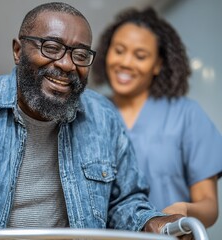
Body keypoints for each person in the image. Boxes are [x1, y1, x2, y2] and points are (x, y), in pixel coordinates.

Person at [0, 2, 189, 240]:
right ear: (17, 50)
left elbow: (125, 202)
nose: (66, 65)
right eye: (51, 47)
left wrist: (153, 223)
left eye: (80, 55)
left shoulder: (104, 118)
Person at [92, 7, 222, 228]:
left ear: (158, 65)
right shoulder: (90, 112)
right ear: (107, 52)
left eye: (140, 56)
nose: (125, 62)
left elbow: (209, 207)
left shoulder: (185, 115)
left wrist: (184, 210)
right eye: (119, 50)